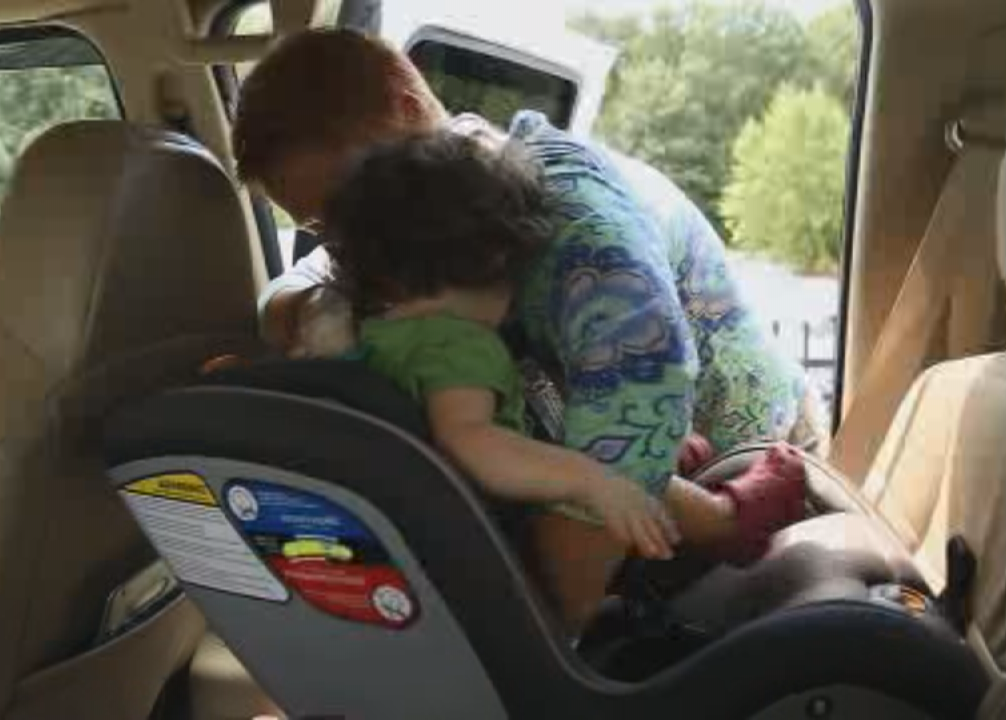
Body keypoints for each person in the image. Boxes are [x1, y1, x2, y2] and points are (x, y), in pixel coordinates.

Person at [232, 29, 825, 627]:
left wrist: (538, 650)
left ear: (405, 111)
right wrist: (314, 310)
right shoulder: (402, 210)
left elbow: (634, 414)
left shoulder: (570, 226)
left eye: (336, 210)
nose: (340, 244)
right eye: (316, 225)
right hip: (609, 444)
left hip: (743, 451)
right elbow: (292, 293)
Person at [319, 129, 806, 629]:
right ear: (487, 261)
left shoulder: (374, 338)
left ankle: (674, 472)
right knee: (610, 488)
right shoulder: (455, 345)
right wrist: (591, 480)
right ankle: (729, 521)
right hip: (501, 539)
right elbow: (471, 439)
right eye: (505, 273)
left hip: (439, 541)